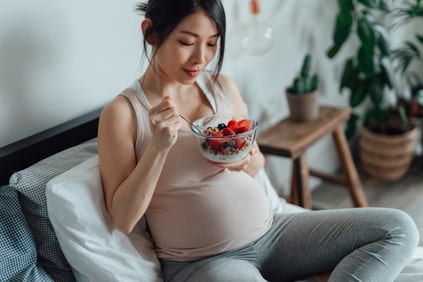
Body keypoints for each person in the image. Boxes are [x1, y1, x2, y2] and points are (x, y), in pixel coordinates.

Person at [97, 0, 420, 281]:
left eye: (212, 43)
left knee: (398, 228)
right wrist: (158, 148)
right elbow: (124, 219)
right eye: (186, 41)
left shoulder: (222, 86)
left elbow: (257, 161)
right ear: (151, 32)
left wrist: (242, 159)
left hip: (273, 233)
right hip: (204, 262)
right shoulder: (124, 112)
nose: (201, 58)